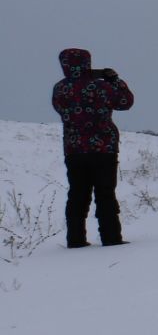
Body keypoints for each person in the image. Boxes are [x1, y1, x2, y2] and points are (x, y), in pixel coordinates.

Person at [50, 48, 134, 247]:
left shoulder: (60, 89)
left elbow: (60, 108)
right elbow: (126, 102)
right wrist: (114, 80)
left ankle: (75, 239)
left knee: (77, 194)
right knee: (105, 194)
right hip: (104, 148)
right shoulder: (102, 87)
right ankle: (111, 237)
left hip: (74, 149)